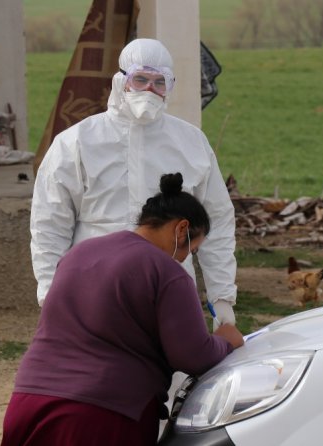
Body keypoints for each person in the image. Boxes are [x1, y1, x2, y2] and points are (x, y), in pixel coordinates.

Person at [1, 173, 244, 445]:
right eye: (193, 249)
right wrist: (225, 340)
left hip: (29, 401)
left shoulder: (79, 253)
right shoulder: (166, 273)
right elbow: (192, 355)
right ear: (181, 229)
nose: (186, 257)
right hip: (98, 414)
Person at [30, 38, 237, 327]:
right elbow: (49, 224)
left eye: (159, 82)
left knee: (175, 365)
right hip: (96, 283)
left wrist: (222, 297)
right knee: (105, 366)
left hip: (170, 284)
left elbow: (218, 221)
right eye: (140, 79)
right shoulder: (77, 142)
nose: (150, 89)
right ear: (120, 81)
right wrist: (51, 293)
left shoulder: (191, 143)